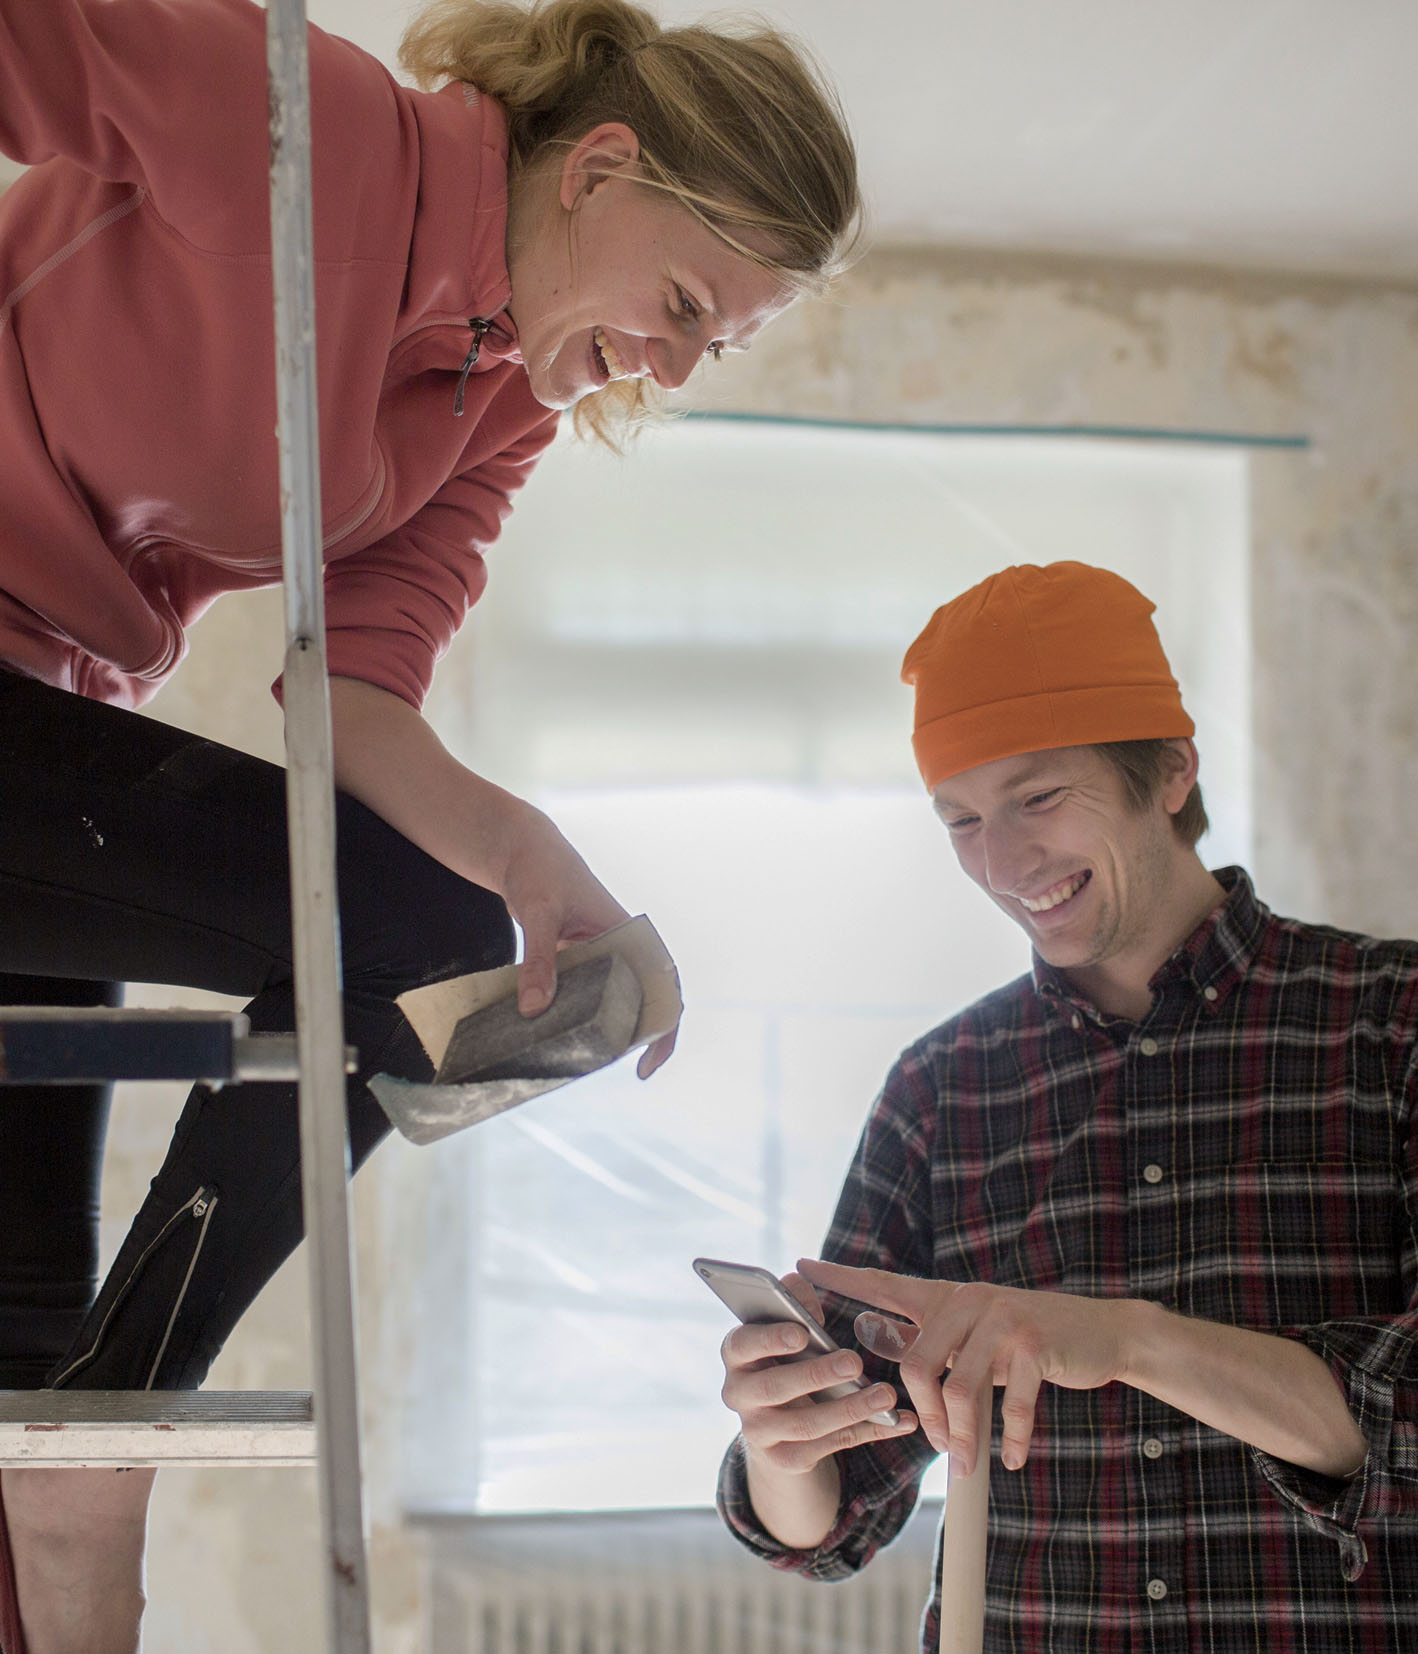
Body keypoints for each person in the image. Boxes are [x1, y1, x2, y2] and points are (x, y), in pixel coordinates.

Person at [0, 0, 858, 1646]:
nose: (674, 368)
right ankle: (103, 1450)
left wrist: (552, 878)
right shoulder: (303, 121)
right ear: (598, 167)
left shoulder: (497, 401)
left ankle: (79, 1445)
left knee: (34, 1318)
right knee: (412, 941)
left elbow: (348, 702)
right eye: (683, 304)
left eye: (717, 348)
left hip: (47, 715)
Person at [714, 561, 1418, 1652]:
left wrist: (1133, 1341)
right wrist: (780, 1440)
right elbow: (836, 1515)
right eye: (958, 819)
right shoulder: (940, 1088)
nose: (999, 861)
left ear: (1171, 769)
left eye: (1039, 798)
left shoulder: (1414, 1020)